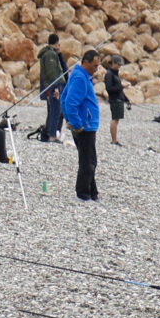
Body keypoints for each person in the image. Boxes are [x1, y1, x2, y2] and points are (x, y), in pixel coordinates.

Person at [62, 48, 102, 202]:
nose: (96, 69)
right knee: (88, 161)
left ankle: (92, 192)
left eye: (98, 66)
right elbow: (70, 102)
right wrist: (75, 123)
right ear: (85, 62)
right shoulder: (80, 77)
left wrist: (69, 119)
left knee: (88, 159)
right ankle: (83, 193)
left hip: (84, 124)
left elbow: (64, 97)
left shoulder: (79, 74)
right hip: (85, 126)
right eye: (94, 66)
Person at [37, 34, 66, 141]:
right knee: (55, 111)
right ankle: (52, 135)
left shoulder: (52, 53)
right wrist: (56, 88)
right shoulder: (50, 54)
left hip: (54, 86)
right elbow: (52, 73)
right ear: (57, 42)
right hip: (54, 86)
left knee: (57, 111)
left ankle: (52, 133)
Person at [102, 57, 126, 146]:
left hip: (119, 99)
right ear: (113, 63)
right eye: (118, 64)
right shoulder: (109, 74)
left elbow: (119, 89)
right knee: (114, 119)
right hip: (115, 100)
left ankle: (114, 139)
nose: (119, 66)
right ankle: (114, 140)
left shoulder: (115, 74)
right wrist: (121, 87)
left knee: (116, 119)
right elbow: (109, 88)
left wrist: (127, 99)